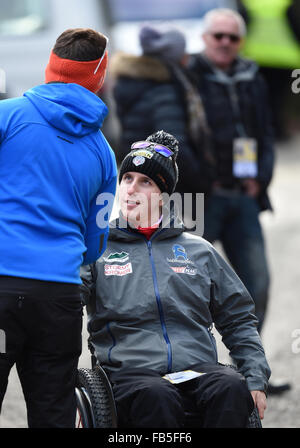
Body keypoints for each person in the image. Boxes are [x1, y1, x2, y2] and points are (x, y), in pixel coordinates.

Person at [80, 130, 270, 428]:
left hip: (197, 368)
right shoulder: (98, 248)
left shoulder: (198, 251)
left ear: (163, 195)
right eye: (126, 179)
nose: (131, 189)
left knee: (232, 385)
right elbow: (66, 300)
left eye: (146, 182)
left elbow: (238, 317)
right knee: (157, 395)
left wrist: (255, 376)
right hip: (130, 373)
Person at [0, 28, 117, 427]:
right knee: (53, 413)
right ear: (98, 77)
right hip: (57, 298)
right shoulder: (103, 153)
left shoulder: (8, 115)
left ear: (50, 66)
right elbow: (95, 240)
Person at [189, 8, 291, 395]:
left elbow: (265, 131)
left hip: (244, 197)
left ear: (241, 41)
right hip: (202, 198)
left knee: (257, 285)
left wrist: (260, 178)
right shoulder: (187, 74)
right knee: (189, 287)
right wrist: (200, 179)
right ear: (205, 38)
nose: (225, 43)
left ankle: (249, 374)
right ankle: (197, 375)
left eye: (233, 37)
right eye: (219, 36)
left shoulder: (252, 75)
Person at [109, 24, 213, 197]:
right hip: (169, 187)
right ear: (174, 58)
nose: (187, 59)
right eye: (183, 54)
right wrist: (202, 181)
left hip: (140, 177)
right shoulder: (163, 89)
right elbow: (174, 145)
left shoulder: (133, 82)